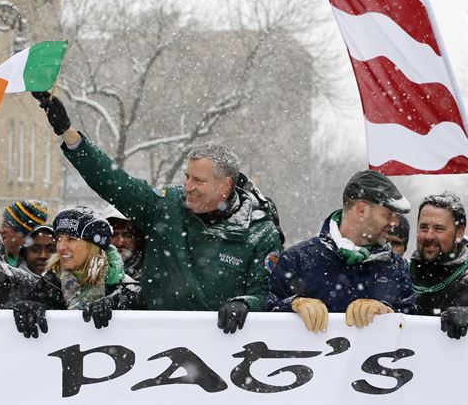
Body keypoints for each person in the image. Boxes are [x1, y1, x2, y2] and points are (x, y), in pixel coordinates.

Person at [32, 91, 282, 334]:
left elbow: (267, 292)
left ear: (225, 185)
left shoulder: (259, 231)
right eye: (187, 177)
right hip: (156, 343)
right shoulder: (167, 206)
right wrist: (69, 134)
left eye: (198, 180)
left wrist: (246, 303)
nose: (188, 187)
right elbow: (114, 183)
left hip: (219, 348)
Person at [267, 170, 416, 332]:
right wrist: (292, 305)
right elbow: (265, 312)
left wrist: (387, 313)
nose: (395, 222)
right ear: (361, 210)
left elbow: (413, 323)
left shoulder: (397, 266)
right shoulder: (297, 259)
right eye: (388, 214)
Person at [12, 206, 143, 338]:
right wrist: (28, 306)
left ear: (94, 246)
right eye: (59, 238)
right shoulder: (45, 286)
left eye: (71, 239)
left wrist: (117, 309)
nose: (61, 247)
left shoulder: (127, 292)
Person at [410, 192, 468, 339]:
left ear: (459, 233)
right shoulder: (400, 271)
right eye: (424, 227)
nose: (429, 236)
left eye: (439, 228)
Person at [0, 200, 49, 267]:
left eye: (6, 225)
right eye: (2, 224)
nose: (0, 230)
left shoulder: (38, 271)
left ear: (24, 235)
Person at [101, 205, 144, 280]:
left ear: (138, 239)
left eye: (128, 236)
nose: (120, 243)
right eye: (113, 235)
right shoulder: (89, 273)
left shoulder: (150, 275)